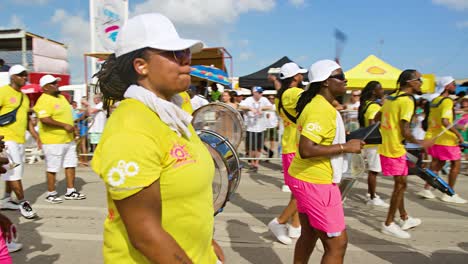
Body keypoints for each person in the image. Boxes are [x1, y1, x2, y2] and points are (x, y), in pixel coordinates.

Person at [91, 13, 224, 263]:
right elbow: (145, 235)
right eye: (174, 53)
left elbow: (186, 203)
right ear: (141, 65)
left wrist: (207, 243)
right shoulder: (130, 128)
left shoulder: (173, 116)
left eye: (186, 52)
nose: (186, 60)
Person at [287, 60, 364, 263]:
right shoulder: (321, 109)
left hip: (305, 178)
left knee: (309, 234)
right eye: (339, 76)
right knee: (337, 244)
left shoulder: (318, 106)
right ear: (325, 82)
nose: (345, 80)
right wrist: (346, 147)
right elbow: (306, 149)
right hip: (316, 182)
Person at [379, 69, 433, 239]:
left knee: (400, 184)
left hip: (387, 146)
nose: (421, 83)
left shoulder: (390, 99)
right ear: (410, 82)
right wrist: (421, 143)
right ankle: (388, 223)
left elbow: (376, 117)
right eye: (419, 79)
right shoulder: (407, 101)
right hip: (395, 149)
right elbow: (405, 130)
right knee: (400, 185)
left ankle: (404, 218)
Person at [267, 62, 306, 245]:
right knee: (303, 192)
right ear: (295, 77)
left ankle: (295, 225)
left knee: (297, 191)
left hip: (291, 146)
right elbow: (314, 99)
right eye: (300, 74)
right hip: (295, 147)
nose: (302, 77)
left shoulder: (281, 96)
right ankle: (279, 221)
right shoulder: (293, 93)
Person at [33, 75, 86, 204]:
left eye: (57, 82)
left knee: (70, 165)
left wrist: (73, 128)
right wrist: (64, 126)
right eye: (53, 83)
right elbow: (44, 119)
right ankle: (51, 193)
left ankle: (71, 191)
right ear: (45, 87)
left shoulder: (62, 98)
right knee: (53, 167)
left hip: (68, 139)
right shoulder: (43, 100)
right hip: (53, 141)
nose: (57, 85)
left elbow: (67, 117)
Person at [417, 77, 466, 203]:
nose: (455, 86)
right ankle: (450, 193)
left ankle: (427, 189)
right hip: (446, 140)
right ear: (447, 86)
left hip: (434, 137)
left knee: (438, 164)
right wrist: (459, 135)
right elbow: (445, 121)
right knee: (456, 164)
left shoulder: (435, 100)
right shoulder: (447, 101)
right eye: (453, 84)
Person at [0, 65, 39, 219]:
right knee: (14, 171)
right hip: (6, 139)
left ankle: (6, 199)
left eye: (25, 75)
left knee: (14, 171)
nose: (24, 77)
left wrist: (36, 136)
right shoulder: (3, 92)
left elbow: (27, 119)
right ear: (12, 77)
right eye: (20, 75)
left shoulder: (24, 97)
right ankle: (23, 203)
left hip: (19, 140)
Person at [357, 81, 389, 207]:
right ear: (374, 92)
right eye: (380, 89)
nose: (383, 91)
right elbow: (372, 124)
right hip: (373, 143)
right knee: (373, 171)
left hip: (369, 143)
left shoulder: (366, 105)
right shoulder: (374, 107)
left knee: (372, 170)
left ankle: (371, 193)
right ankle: (372, 197)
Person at [239, 86, 272, 172]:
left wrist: (262, 108)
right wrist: (250, 108)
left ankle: (256, 163)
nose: (261, 94)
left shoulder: (264, 99)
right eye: (259, 92)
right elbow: (241, 106)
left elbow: (270, 107)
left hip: (261, 127)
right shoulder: (249, 100)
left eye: (261, 92)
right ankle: (252, 163)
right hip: (250, 127)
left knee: (258, 147)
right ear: (254, 93)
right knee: (251, 148)